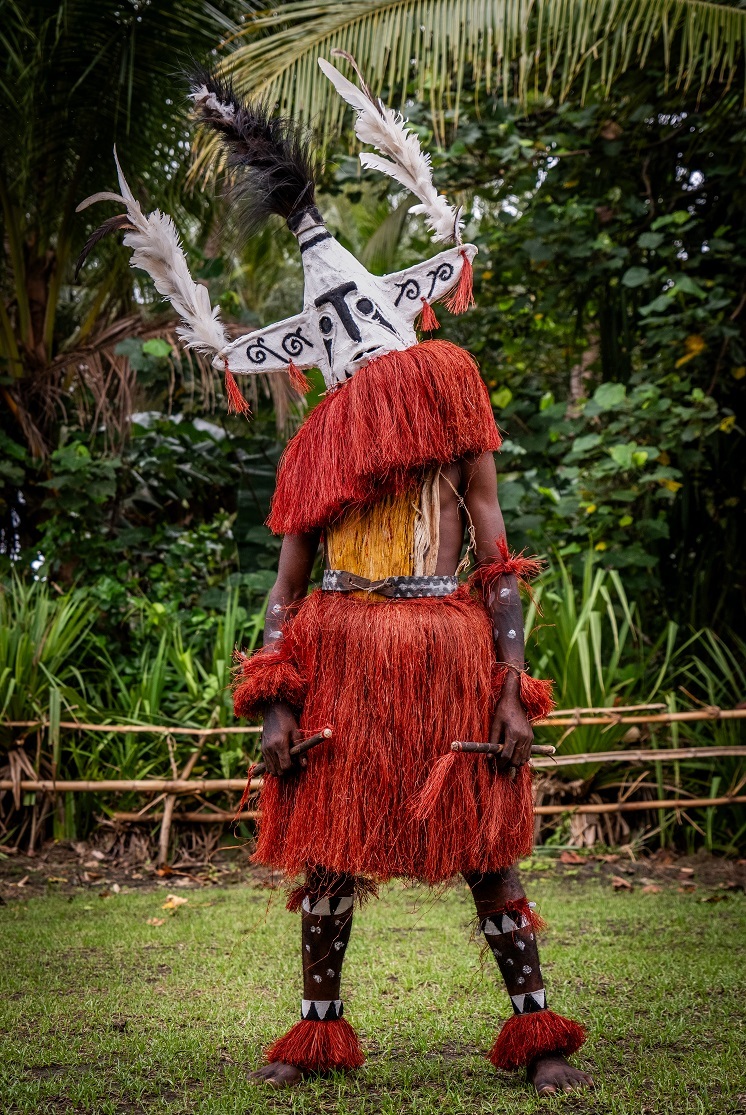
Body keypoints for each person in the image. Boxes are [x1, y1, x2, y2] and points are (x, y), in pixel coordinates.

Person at [78, 55, 592, 1099]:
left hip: (445, 647)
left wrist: (511, 683)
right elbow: (287, 584)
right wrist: (274, 696)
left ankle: (535, 1030)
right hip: (343, 651)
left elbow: (495, 554)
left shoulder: (452, 409)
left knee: (486, 846)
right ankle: (316, 1031)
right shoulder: (313, 450)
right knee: (329, 857)